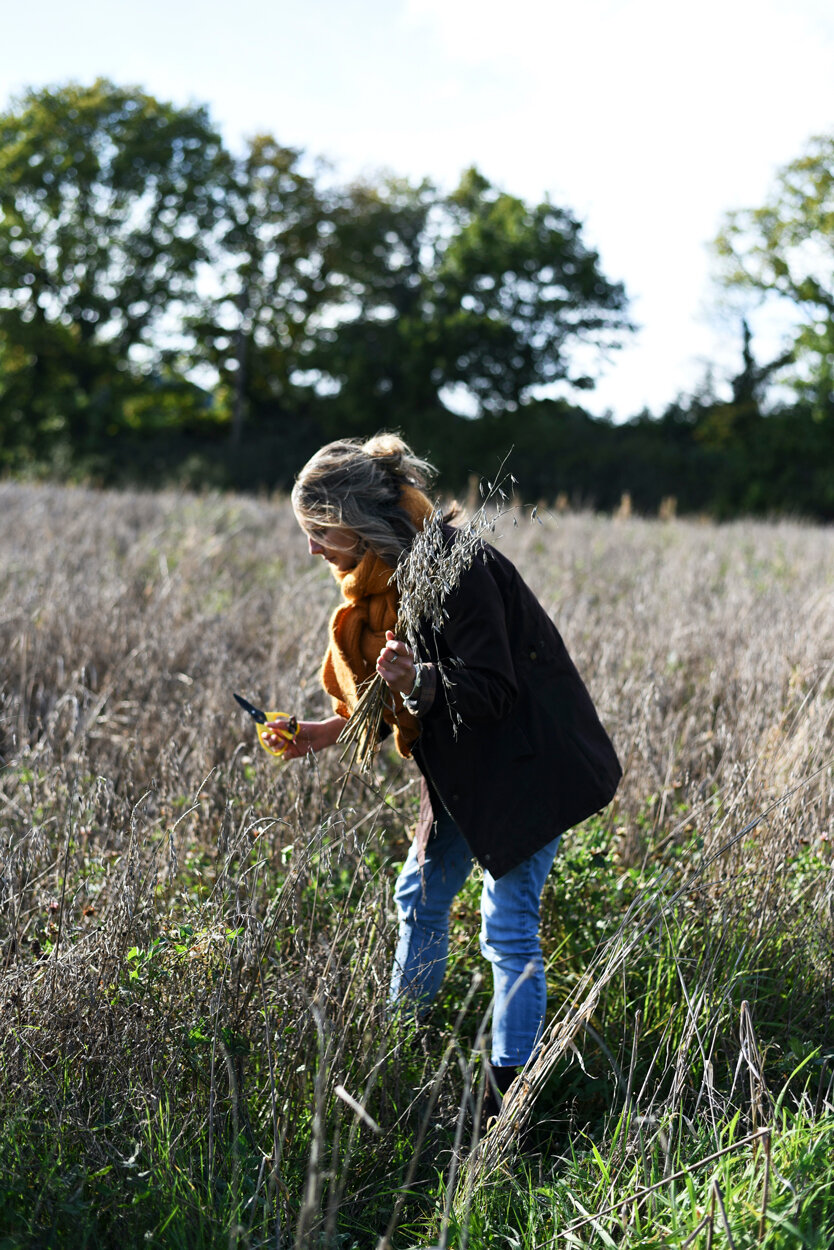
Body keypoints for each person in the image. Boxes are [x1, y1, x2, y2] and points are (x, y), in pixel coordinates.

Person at [268, 433, 621, 1121]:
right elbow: (385, 700)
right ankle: (400, 1047)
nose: (312, 550)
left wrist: (420, 677)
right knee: (420, 896)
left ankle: (509, 1094)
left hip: (526, 770)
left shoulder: (457, 569)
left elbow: (491, 690)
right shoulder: (385, 585)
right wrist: (317, 734)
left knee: (507, 927)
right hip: (463, 771)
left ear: (360, 524)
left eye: (321, 532)